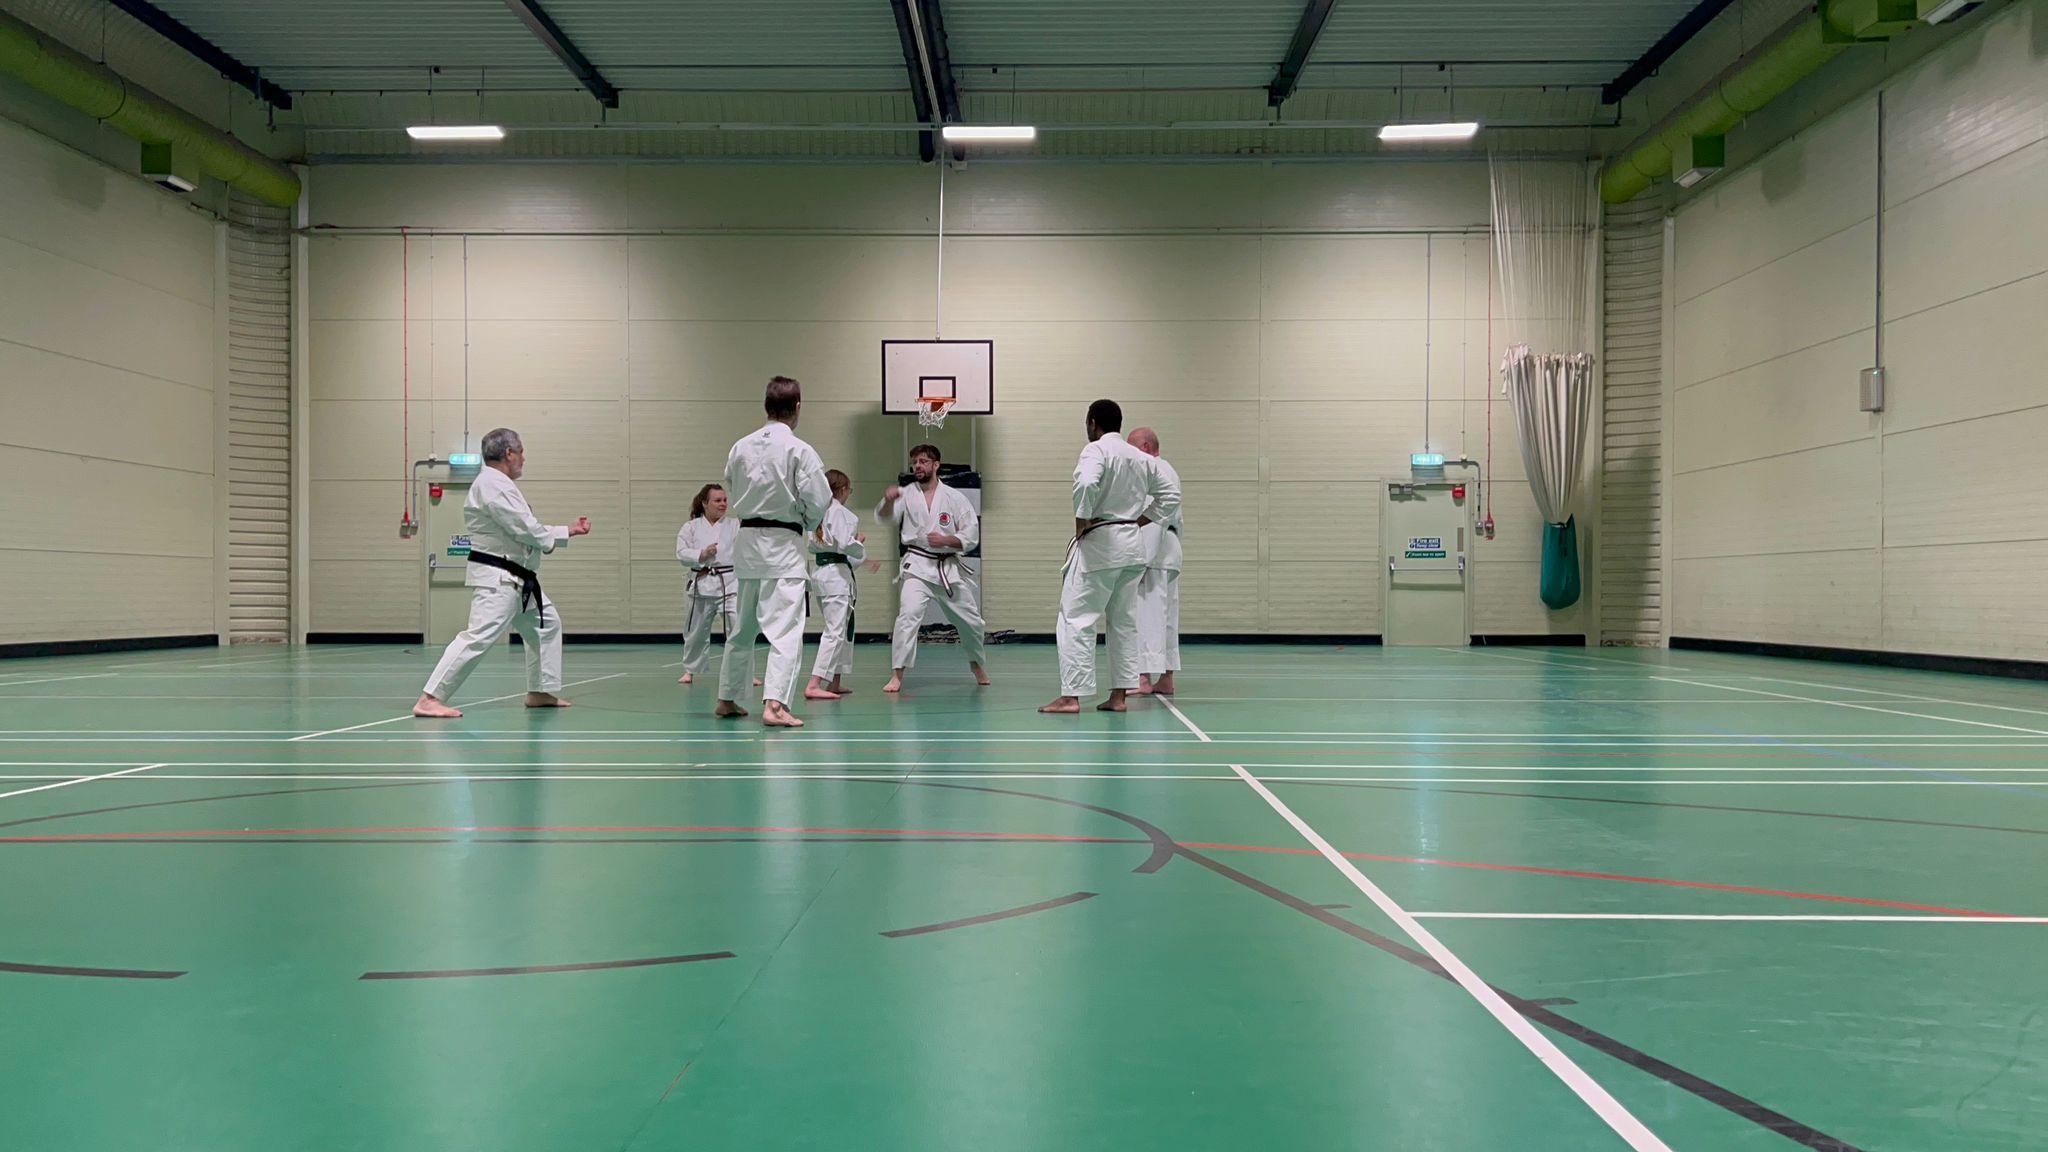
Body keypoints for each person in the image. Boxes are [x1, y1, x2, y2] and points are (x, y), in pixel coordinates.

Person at [414, 428, 591, 718]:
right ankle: (429, 698)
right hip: (499, 579)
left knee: (546, 625)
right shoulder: (492, 485)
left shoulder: (499, 485)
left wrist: (557, 534)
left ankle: (539, 691)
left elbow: (524, 530)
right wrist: (565, 531)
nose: (523, 457)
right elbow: (525, 528)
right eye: (521, 451)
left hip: (518, 579)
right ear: (509, 453)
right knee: (479, 636)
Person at [1041, 399, 1179, 715]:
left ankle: (1071, 696)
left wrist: (1081, 519)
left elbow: (1087, 481)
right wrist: (1141, 519)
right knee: (1124, 622)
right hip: (1132, 546)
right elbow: (1170, 495)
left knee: (1076, 619)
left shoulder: (1096, 450)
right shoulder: (1140, 457)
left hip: (1101, 544)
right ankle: (1118, 697)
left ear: (1092, 423)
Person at [716, 376, 832, 727]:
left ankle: (728, 697)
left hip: (748, 544)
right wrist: (810, 521)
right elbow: (818, 499)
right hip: (782, 546)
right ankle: (776, 705)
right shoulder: (799, 450)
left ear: (766, 406)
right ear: (797, 407)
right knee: (785, 630)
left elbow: (731, 487)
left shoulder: (740, 446)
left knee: (743, 629)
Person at [875, 443, 989, 692]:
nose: (918, 465)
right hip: (917, 566)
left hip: (947, 568)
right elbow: (885, 517)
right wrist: (886, 500)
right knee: (908, 616)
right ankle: (897, 675)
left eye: (924, 461)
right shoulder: (905, 494)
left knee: (972, 622)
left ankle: (976, 663)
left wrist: (948, 540)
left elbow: (971, 534)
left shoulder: (955, 497)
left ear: (936, 465)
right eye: (915, 461)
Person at [804, 469, 868, 700]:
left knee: (840, 629)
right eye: (849, 489)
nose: (849, 493)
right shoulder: (841, 513)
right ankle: (814, 683)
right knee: (835, 631)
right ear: (842, 490)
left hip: (824, 575)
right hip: (835, 579)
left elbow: (829, 546)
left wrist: (854, 548)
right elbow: (843, 543)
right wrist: (857, 542)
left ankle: (835, 681)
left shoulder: (815, 512)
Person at [1128, 428, 1182, 696]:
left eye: (1132, 447)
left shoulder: (1150, 469)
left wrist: (1140, 561)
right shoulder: (1169, 469)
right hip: (1170, 550)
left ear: (1146, 447)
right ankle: (1167, 678)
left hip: (1154, 550)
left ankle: (1143, 678)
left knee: (1147, 614)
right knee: (1168, 615)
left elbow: (1153, 518)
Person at [674, 483, 737, 685]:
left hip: (729, 583)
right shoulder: (690, 527)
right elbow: (681, 553)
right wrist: (701, 554)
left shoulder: (735, 525)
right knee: (695, 631)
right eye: (717, 500)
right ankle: (690, 670)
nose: (723, 504)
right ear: (705, 503)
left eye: (725, 500)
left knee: (737, 629)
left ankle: (742, 670)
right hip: (701, 583)